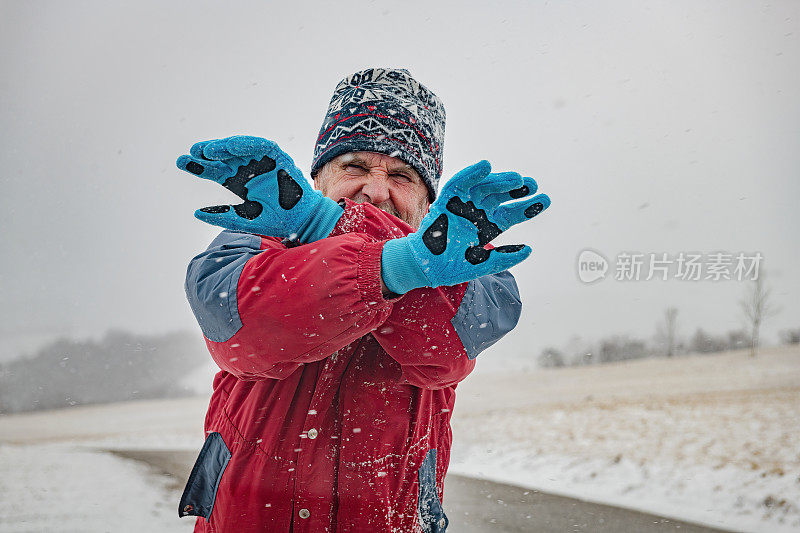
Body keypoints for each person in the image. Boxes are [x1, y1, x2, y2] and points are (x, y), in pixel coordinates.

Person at [176, 67, 550, 532]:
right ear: (316, 181)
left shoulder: (471, 263)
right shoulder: (249, 242)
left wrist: (337, 229)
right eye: (353, 166)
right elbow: (248, 336)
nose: (376, 190)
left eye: (401, 174)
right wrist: (397, 264)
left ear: (428, 200)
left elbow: (445, 346)